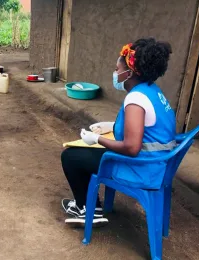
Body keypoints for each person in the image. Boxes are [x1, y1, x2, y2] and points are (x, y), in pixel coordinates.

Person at [60, 38, 175, 227]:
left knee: (71, 157)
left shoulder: (136, 99)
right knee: (86, 155)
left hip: (141, 168)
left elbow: (131, 147)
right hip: (156, 163)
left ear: (129, 73)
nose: (115, 73)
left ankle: (88, 210)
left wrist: (96, 138)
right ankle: (87, 204)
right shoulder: (151, 91)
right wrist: (111, 127)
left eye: (117, 69)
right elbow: (145, 126)